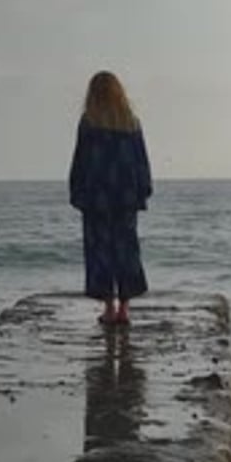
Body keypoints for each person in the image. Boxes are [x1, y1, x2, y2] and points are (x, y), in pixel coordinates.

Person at [68, 71, 152, 325]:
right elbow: (141, 161)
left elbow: (80, 160)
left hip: (97, 197)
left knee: (100, 251)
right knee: (126, 250)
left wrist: (76, 191)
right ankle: (124, 308)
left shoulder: (89, 122)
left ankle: (108, 308)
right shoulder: (131, 122)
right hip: (125, 197)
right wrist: (143, 190)